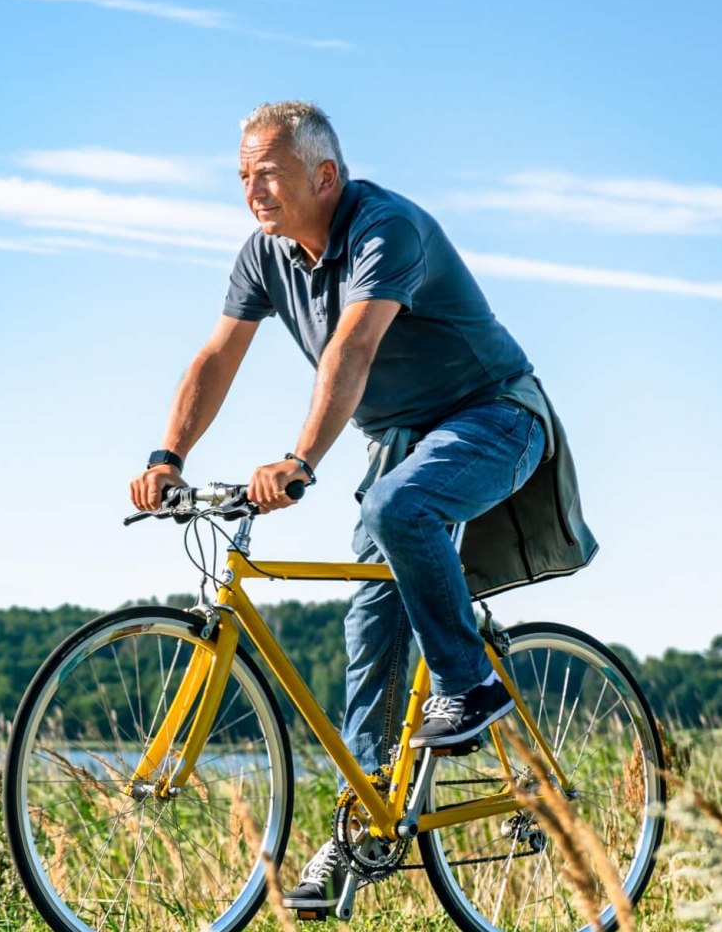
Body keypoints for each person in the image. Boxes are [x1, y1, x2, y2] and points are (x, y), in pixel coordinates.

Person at [127, 101, 566, 912]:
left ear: (324, 176)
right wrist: (168, 455)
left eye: (270, 173)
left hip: (495, 413)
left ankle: (471, 684)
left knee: (402, 507)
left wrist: (300, 461)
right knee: (370, 620)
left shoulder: (384, 228)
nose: (253, 189)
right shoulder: (265, 256)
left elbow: (353, 346)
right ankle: (359, 824)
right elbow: (216, 356)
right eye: (243, 175)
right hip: (401, 434)